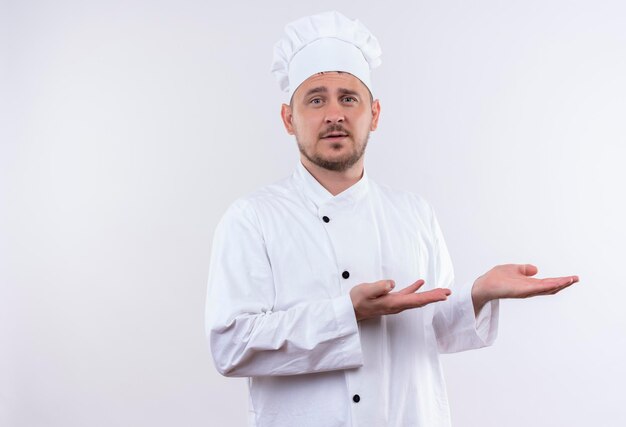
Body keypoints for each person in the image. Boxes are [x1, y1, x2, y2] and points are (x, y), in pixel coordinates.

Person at [205, 11, 579, 427]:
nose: (334, 114)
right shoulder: (253, 218)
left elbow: (429, 330)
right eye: (316, 99)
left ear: (375, 114)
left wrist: (477, 294)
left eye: (349, 98)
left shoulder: (414, 213)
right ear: (288, 118)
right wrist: (346, 313)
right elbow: (231, 346)